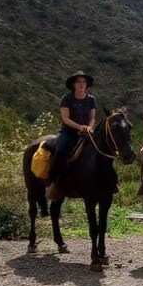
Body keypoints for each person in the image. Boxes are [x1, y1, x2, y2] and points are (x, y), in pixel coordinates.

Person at [46, 71, 96, 200]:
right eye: (78, 81)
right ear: (73, 84)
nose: (81, 84)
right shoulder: (66, 99)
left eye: (83, 82)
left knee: (101, 151)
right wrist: (80, 127)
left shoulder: (91, 99)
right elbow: (65, 119)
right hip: (69, 132)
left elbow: (92, 118)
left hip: (86, 133)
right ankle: (53, 182)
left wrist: (89, 127)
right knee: (60, 150)